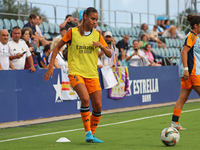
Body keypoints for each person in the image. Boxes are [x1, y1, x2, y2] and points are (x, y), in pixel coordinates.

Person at [43, 7, 112, 143]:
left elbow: (109, 53)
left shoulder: (97, 35)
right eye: (92, 18)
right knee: (85, 99)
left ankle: (91, 134)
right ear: (85, 17)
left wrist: (102, 46)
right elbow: (56, 47)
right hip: (76, 72)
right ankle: (88, 133)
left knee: (98, 105)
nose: (95, 22)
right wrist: (50, 66)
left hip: (92, 74)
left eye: (96, 20)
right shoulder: (73, 32)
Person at [170, 14, 200, 130]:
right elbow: (184, 52)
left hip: (192, 71)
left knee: (183, 98)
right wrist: (186, 69)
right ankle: (174, 123)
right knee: (182, 98)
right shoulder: (191, 36)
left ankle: (174, 123)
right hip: (192, 72)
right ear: (196, 25)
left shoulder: (195, 37)